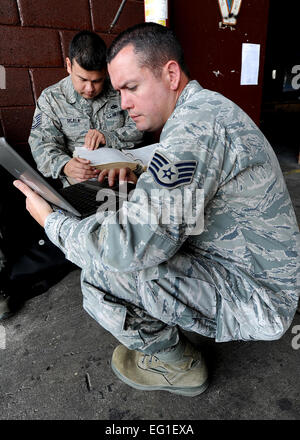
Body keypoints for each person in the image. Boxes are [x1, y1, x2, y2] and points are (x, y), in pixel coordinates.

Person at [14, 23, 300, 397]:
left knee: (103, 271)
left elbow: (126, 249)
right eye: (118, 92)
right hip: (249, 265)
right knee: (118, 217)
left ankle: (177, 365)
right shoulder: (204, 110)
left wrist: (51, 221)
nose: (123, 103)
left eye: (131, 88)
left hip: (258, 297)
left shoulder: (196, 129)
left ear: (170, 74)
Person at [29, 30, 143, 186]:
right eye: (82, 79)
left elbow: (140, 128)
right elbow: (41, 144)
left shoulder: (119, 89)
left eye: (97, 81)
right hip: (80, 184)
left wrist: (108, 137)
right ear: (69, 65)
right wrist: (65, 165)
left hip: (123, 178)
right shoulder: (51, 99)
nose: (90, 88)